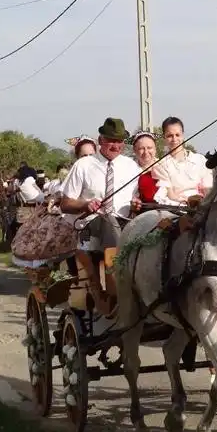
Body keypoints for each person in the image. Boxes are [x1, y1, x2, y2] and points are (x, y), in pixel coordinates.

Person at [59, 117, 142, 323]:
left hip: (125, 223)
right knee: (108, 222)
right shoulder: (84, 165)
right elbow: (65, 203)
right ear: (100, 140)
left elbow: (137, 198)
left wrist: (137, 204)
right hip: (90, 224)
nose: (115, 145)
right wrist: (85, 205)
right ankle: (119, 292)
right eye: (110, 140)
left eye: (119, 141)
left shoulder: (131, 166)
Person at [152, 116, 212, 205]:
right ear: (164, 137)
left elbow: (208, 188)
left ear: (183, 135)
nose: (174, 139)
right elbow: (170, 195)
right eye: (169, 136)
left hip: (203, 206)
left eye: (177, 135)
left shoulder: (200, 160)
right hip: (178, 207)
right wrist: (187, 201)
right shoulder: (161, 165)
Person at [130, 131, 160, 204]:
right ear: (134, 150)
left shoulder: (165, 166)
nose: (146, 152)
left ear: (155, 148)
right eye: (141, 148)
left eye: (149, 148)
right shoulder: (129, 168)